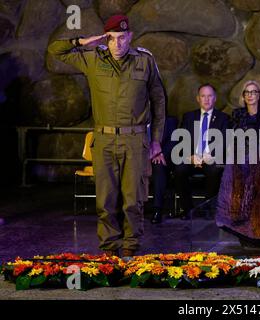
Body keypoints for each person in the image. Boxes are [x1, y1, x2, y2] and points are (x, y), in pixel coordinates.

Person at [48, 15, 166, 258]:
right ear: (105, 39)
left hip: (135, 140)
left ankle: (131, 245)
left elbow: (159, 102)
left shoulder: (144, 61)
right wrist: (83, 40)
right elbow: (54, 50)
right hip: (104, 140)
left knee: (133, 199)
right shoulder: (93, 59)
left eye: (122, 38)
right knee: (105, 200)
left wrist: (156, 140)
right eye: (111, 39)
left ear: (130, 37)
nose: (118, 44)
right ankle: (110, 248)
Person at [216, 80, 260, 248]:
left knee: (258, 169)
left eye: (254, 92)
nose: (251, 95)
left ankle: (256, 221)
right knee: (237, 168)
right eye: (247, 92)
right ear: (243, 96)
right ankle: (234, 219)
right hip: (242, 156)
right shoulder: (237, 113)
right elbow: (234, 139)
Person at [173, 84, 229, 220]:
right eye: (203, 96)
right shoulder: (188, 117)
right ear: (198, 99)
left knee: (215, 170)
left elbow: (225, 142)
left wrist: (210, 156)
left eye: (210, 96)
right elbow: (181, 141)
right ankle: (188, 209)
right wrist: (190, 156)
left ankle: (208, 209)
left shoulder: (223, 118)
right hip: (192, 157)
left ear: (215, 98)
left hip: (212, 158)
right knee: (179, 169)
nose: (206, 99)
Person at [149, 116, 178, 224]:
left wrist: (159, 154)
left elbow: (172, 142)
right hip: (138, 157)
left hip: (160, 157)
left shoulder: (170, 121)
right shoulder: (135, 120)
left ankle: (157, 209)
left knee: (159, 166)